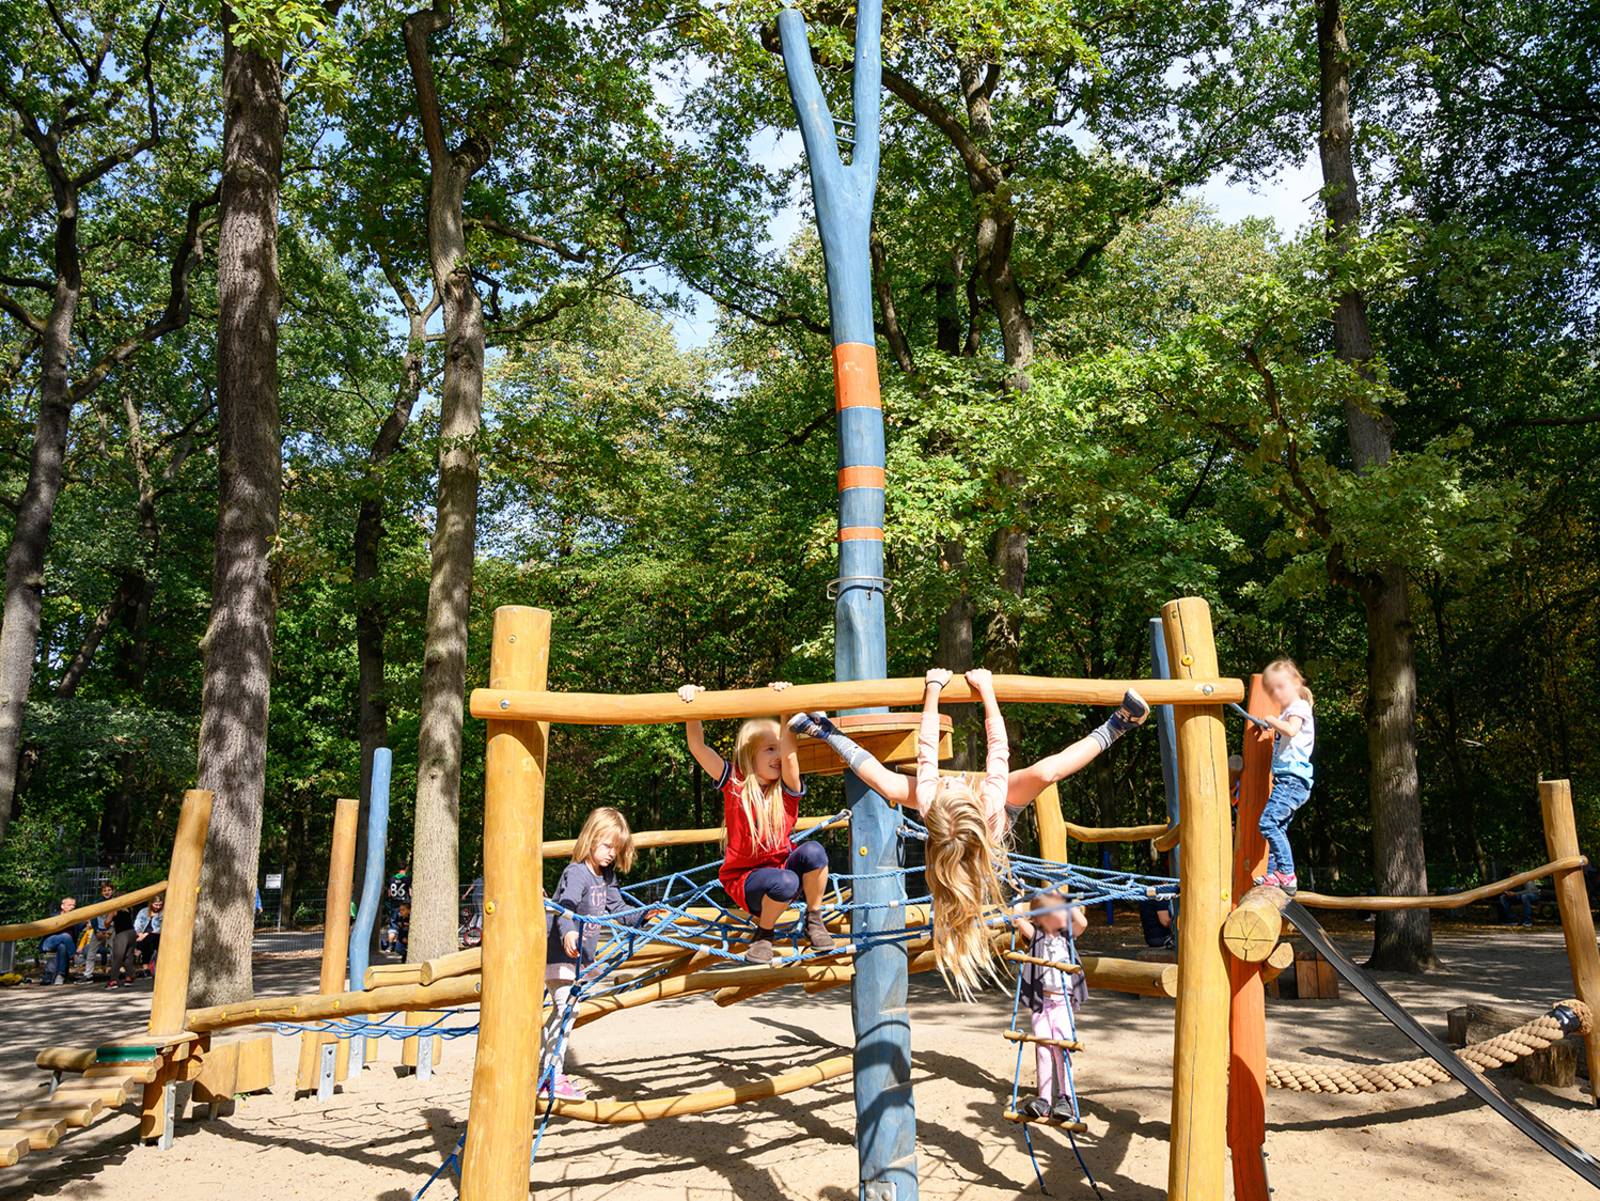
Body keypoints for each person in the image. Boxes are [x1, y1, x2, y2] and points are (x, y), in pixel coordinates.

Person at [792, 667, 1148, 996]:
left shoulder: (930, 797)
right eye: (952, 784)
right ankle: (1119, 725)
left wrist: (934, 688)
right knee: (1045, 773)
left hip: (964, 820)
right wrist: (987, 690)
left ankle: (825, 731)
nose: (955, 779)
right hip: (997, 814)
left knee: (886, 784)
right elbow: (998, 751)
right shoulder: (990, 801)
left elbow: (927, 752)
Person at [679, 680, 833, 965]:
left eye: (780, 748)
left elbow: (790, 755)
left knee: (814, 852)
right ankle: (764, 933)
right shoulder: (734, 782)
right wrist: (693, 706)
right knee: (785, 882)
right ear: (750, 754)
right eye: (769, 749)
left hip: (783, 872)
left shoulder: (786, 789)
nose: (778, 756)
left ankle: (814, 920)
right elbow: (698, 747)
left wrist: (786, 707)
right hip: (746, 881)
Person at [540, 807, 655, 1101]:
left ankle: (543, 1069)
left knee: (564, 1012)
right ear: (591, 839)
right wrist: (568, 931)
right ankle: (551, 1076)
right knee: (568, 1011)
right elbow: (564, 907)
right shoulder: (576, 873)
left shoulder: (606, 876)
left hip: (579, 960)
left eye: (616, 849)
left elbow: (619, 910)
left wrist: (644, 915)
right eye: (607, 846)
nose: (611, 854)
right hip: (560, 955)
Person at [1011, 890, 1089, 1121]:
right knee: (1043, 1048)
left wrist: (1066, 901)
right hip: (1042, 1003)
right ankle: (1044, 1099)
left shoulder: (1068, 936)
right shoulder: (1037, 937)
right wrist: (1018, 895)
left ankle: (1065, 1098)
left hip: (1063, 1003)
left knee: (1061, 1048)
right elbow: (1017, 919)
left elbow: (1082, 922)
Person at [1252, 659, 1315, 896]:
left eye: (1281, 686)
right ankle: (1275, 874)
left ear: (1296, 683)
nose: (1276, 693)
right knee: (1278, 827)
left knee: (1268, 823)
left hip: (1292, 780)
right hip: (1288, 780)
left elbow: (1291, 730)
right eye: (1272, 689)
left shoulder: (1299, 707)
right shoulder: (1289, 711)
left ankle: (1287, 873)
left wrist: (1271, 720)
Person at [38, 897, 84, 985]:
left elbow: (85, 925)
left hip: (64, 946)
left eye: (74, 905)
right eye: (69, 905)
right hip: (49, 943)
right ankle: (74, 957)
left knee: (62, 947)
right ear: (62, 906)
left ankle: (60, 976)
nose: (72, 907)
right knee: (65, 936)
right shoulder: (54, 917)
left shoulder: (76, 919)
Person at [82, 882, 118, 981]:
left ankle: (114, 973)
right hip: (99, 929)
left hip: (111, 929)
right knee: (91, 952)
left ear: (112, 891)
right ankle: (88, 974)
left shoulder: (116, 901)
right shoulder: (97, 903)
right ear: (101, 892)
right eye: (104, 890)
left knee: (114, 951)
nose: (107, 892)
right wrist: (96, 930)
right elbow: (93, 917)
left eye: (109, 890)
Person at [106, 894, 141, 988]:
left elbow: (107, 923)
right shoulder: (128, 908)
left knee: (117, 957)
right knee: (128, 957)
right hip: (132, 933)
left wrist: (110, 914)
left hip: (122, 934)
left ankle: (113, 980)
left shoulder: (114, 909)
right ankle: (129, 977)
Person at [132, 895, 164, 976]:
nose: (158, 907)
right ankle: (145, 968)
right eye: (156, 905)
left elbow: (160, 928)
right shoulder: (143, 911)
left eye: (160, 905)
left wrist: (146, 934)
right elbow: (137, 924)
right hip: (142, 935)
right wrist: (139, 933)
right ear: (151, 903)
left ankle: (139, 949)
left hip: (155, 935)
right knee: (146, 943)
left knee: (149, 937)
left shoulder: (162, 913)